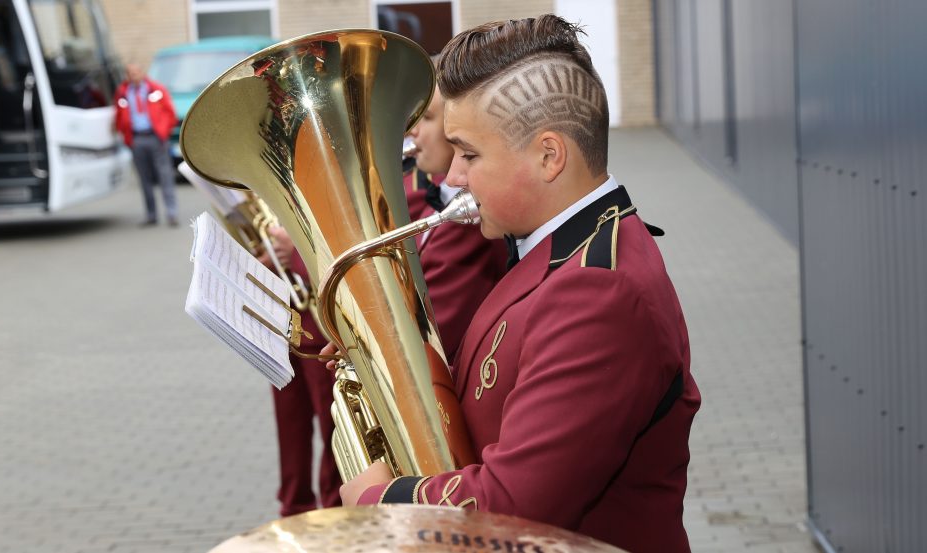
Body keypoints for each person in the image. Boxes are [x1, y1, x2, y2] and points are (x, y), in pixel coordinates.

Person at [337, 15, 701, 553]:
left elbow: (514, 503)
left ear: (549, 156)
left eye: (470, 154)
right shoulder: (556, 246)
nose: (453, 176)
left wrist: (381, 502)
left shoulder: (600, 292)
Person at [404, 84, 508, 361]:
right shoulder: (438, 193)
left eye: (426, 118)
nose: (411, 130)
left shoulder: (470, 225)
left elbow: (430, 337)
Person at [257, 227, 343, 516]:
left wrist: (296, 255)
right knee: (290, 423)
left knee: (334, 428)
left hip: (322, 330)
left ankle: (334, 512)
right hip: (282, 320)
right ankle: (295, 510)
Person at [114, 63, 178, 226]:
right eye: (131, 73)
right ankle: (151, 214)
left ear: (142, 72)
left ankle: (171, 212)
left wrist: (163, 132)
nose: (134, 75)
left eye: (137, 71)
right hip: (137, 138)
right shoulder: (123, 92)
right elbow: (119, 116)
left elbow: (170, 113)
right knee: (144, 178)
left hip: (155, 137)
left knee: (165, 175)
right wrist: (126, 135)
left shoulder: (155, 89)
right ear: (127, 75)